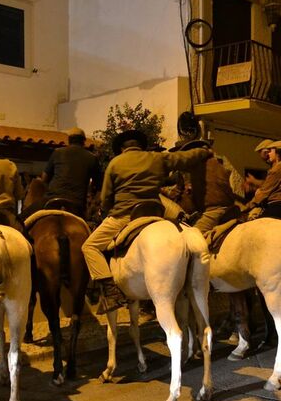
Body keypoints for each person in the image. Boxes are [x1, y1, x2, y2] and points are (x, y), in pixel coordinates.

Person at [81, 129, 212, 314]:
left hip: (125, 215)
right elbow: (184, 158)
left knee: (89, 247)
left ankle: (111, 293)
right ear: (141, 146)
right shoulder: (156, 158)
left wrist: (109, 207)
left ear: (121, 148)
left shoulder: (115, 163)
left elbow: (106, 198)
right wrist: (204, 151)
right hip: (156, 214)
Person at [170, 140, 237, 234]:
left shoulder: (198, 167)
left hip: (214, 210)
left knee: (189, 239)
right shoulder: (215, 162)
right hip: (226, 206)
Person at [39, 127, 101, 217]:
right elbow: (99, 187)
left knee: (25, 220)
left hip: (52, 200)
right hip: (77, 205)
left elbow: (44, 178)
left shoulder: (57, 152)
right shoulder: (92, 158)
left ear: (69, 140)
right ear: (83, 141)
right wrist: (93, 205)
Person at [243, 140, 281, 219]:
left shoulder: (277, 169)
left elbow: (265, 191)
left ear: (277, 153)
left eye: (271, 151)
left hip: (277, 204)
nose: (269, 153)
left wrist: (248, 206)